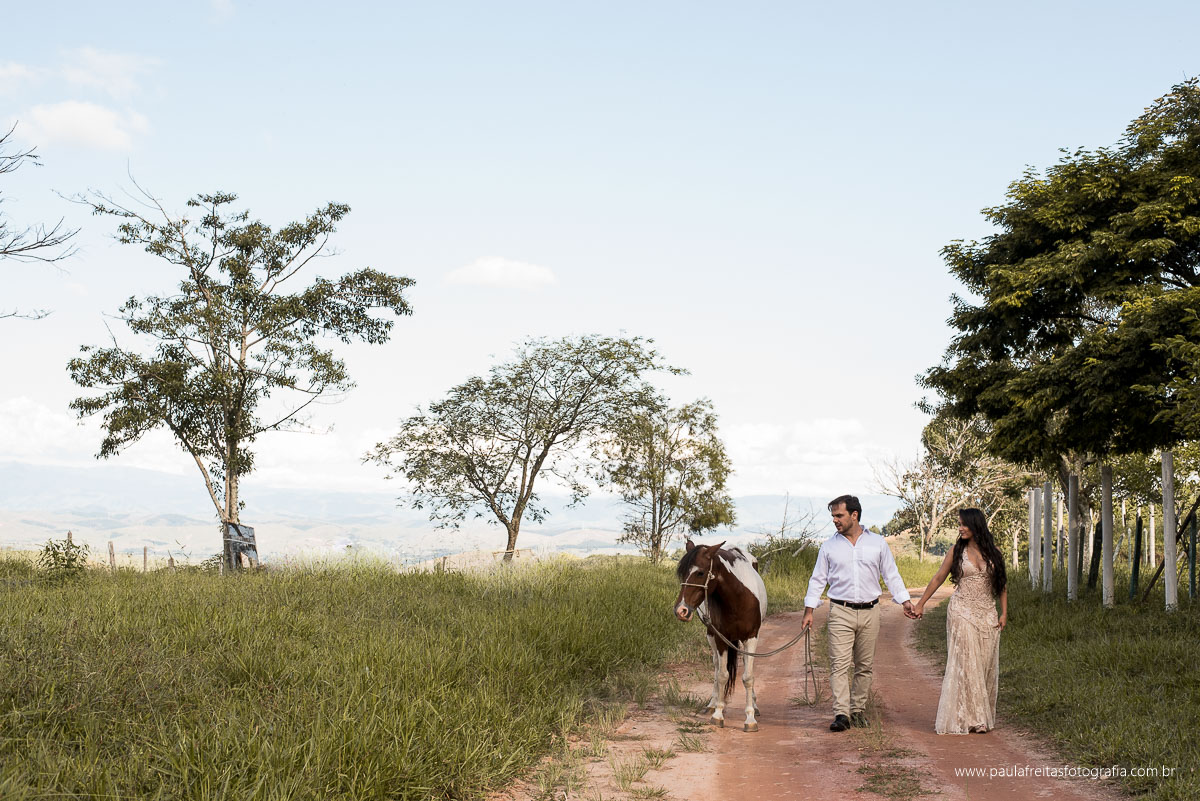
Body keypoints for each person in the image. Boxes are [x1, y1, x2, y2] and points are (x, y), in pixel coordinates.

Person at [802, 495, 917, 732]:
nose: (834, 520)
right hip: (840, 612)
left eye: (839, 515)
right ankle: (841, 714)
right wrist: (809, 610)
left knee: (864, 665)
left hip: (870, 611)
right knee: (839, 665)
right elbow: (817, 580)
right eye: (833, 516)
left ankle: (858, 711)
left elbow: (891, 574)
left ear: (854, 515)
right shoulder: (829, 546)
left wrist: (905, 601)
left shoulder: (877, 543)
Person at [911, 507, 1008, 734]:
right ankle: (974, 720)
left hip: (987, 613)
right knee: (968, 663)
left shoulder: (995, 552)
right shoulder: (957, 551)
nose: (960, 528)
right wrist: (921, 603)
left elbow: (1002, 584)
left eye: (964, 524)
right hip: (961, 610)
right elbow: (938, 577)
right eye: (960, 524)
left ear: (976, 526)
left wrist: (1004, 612)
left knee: (984, 664)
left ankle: (978, 713)